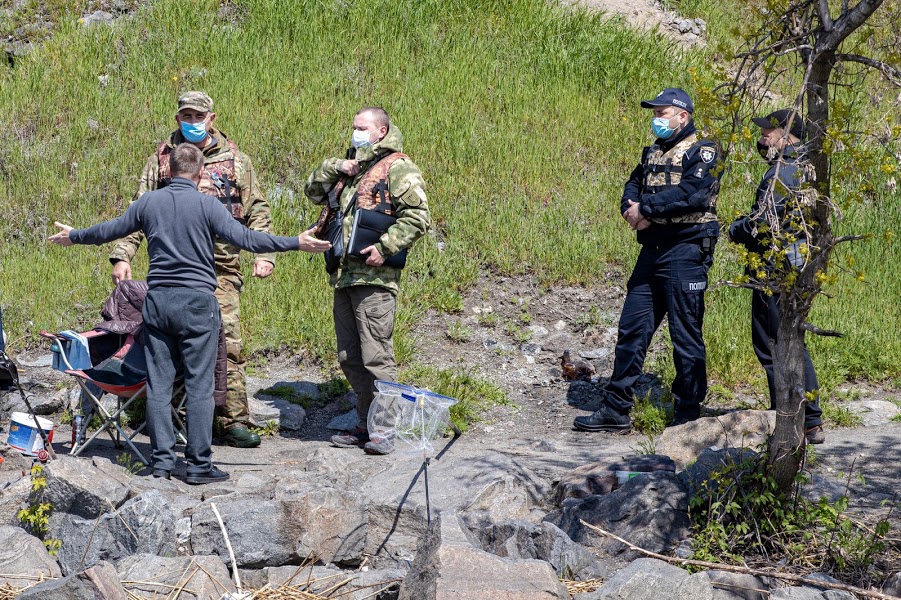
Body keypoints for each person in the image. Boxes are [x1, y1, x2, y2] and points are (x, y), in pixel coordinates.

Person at [50, 144, 331, 483]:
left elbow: (110, 230)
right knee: (198, 386)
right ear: (200, 175)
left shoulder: (148, 203)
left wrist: (73, 236)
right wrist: (295, 242)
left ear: (167, 171)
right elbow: (246, 238)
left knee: (159, 384)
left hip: (159, 303)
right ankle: (198, 466)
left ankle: (162, 464)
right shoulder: (208, 204)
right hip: (197, 305)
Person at [108, 91, 271, 448]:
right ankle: (176, 420)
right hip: (174, 271)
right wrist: (124, 255)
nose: (192, 122)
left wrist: (264, 253)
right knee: (170, 347)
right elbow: (138, 211)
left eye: (198, 116)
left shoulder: (235, 161)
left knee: (227, 343)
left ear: (212, 118)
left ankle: (231, 420)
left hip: (221, 268)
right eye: (186, 116)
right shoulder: (162, 161)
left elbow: (257, 208)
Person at [574, 88, 721, 433]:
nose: (657, 119)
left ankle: (687, 414)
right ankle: (616, 408)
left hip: (686, 250)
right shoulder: (653, 151)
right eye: (655, 113)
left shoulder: (704, 150)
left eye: (663, 112)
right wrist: (631, 209)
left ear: (683, 116)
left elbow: (692, 194)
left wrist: (647, 210)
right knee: (631, 329)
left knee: (684, 334)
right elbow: (634, 183)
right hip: (652, 250)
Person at [301, 107, 430, 455]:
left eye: (362, 128)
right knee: (349, 355)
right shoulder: (352, 168)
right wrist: (335, 167)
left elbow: (420, 216)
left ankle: (384, 428)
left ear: (381, 131)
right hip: (344, 275)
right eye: (353, 127)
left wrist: (386, 247)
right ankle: (365, 421)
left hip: (375, 276)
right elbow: (312, 192)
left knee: (376, 355)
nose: (355, 133)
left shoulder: (398, 167)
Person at [728, 109, 825, 444]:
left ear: (787, 134)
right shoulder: (808, 167)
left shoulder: (782, 172)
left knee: (775, 344)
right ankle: (808, 419)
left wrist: (736, 228)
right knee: (791, 340)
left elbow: (765, 223)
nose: (763, 138)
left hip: (776, 268)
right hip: (797, 265)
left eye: (769, 131)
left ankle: (793, 420)